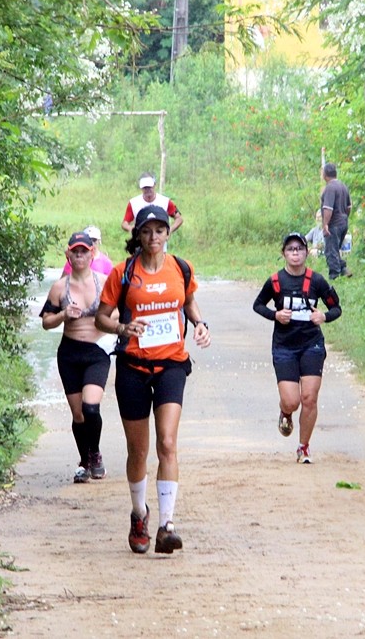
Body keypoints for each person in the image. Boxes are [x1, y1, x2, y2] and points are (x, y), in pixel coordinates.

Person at [96, 204, 211, 555]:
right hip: (132, 366)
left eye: (160, 231)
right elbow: (101, 317)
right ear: (138, 236)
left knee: (168, 443)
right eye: (146, 231)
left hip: (172, 365)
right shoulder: (123, 272)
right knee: (139, 451)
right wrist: (121, 326)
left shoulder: (180, 268)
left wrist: (200, 324)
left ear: (168, 232)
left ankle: (167, 525)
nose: (153, 238)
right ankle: (138, 514)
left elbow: (189, 302)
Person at [253, 231, 342, 464]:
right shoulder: (275, 281)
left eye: (300, 249)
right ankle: (285, 412)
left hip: (311, 344)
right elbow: (258, 305)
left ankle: (304, 447)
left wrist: (324, 316)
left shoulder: (317, 281)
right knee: (292, 401)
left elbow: (336, 308)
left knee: (309, 397)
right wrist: (276, 315)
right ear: (283, 253)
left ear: (306, 252)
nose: (295, 253)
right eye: (291, 249)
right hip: (284, 346)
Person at [40, 231, 113, 484]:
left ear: (92, 253)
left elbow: (120, 316)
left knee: (91, 407)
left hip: (97, 351)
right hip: (70, 353)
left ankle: (95, 453)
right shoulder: (60, 287)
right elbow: (46, 322)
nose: (80, 255)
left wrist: (109, 324)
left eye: (85, 251)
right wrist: (63, 315)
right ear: (68, 255)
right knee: (78, 414)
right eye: (76, 251)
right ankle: (84, 461)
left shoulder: (105, 282)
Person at [320, 162, 353, 280]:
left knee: (330, 251)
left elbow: (328, 208)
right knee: (335, 249)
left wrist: (326, 225)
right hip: (343, 222)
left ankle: (335, 277)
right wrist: (344, 218)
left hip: (333, 224)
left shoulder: (330, 188)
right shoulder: (343, 186)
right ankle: (343, 269)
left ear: (325, 174)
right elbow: (349, 207)